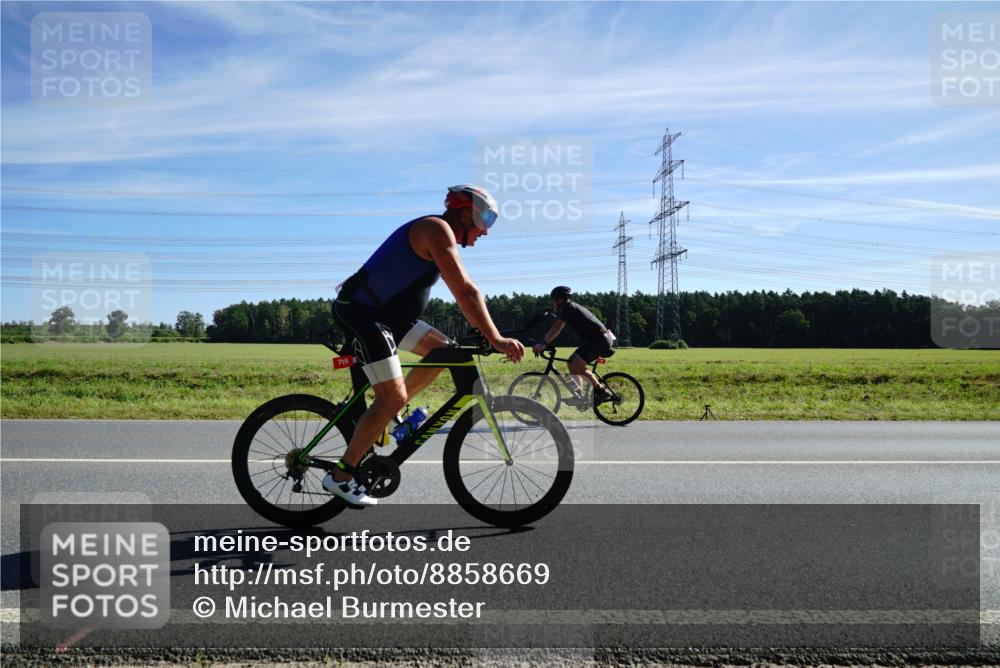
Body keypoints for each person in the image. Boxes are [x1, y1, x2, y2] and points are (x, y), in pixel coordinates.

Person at [326, 184, 524, 506]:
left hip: (387, 318)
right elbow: (466, 292)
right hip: (363, 313)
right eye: (486, 218)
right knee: (391, 398)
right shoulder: (436, 229)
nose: (486, 230)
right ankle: (341, 475)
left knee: (447, 352)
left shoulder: (441, 231)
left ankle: (391, 415)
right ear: (465, 213)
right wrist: (495, 338)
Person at [533, 286, 615, 403]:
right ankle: (578, 394)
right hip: (596, 340)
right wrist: (543, 342)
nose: (553, 303)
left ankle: (602, 391)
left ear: (560, 299)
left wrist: (544, 344)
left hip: (600, 340)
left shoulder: (568, 307)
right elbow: (556, 327)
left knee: (576, 365)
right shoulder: (569, 307)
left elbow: (557, 327)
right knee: (571, 362)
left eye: (554, 300)